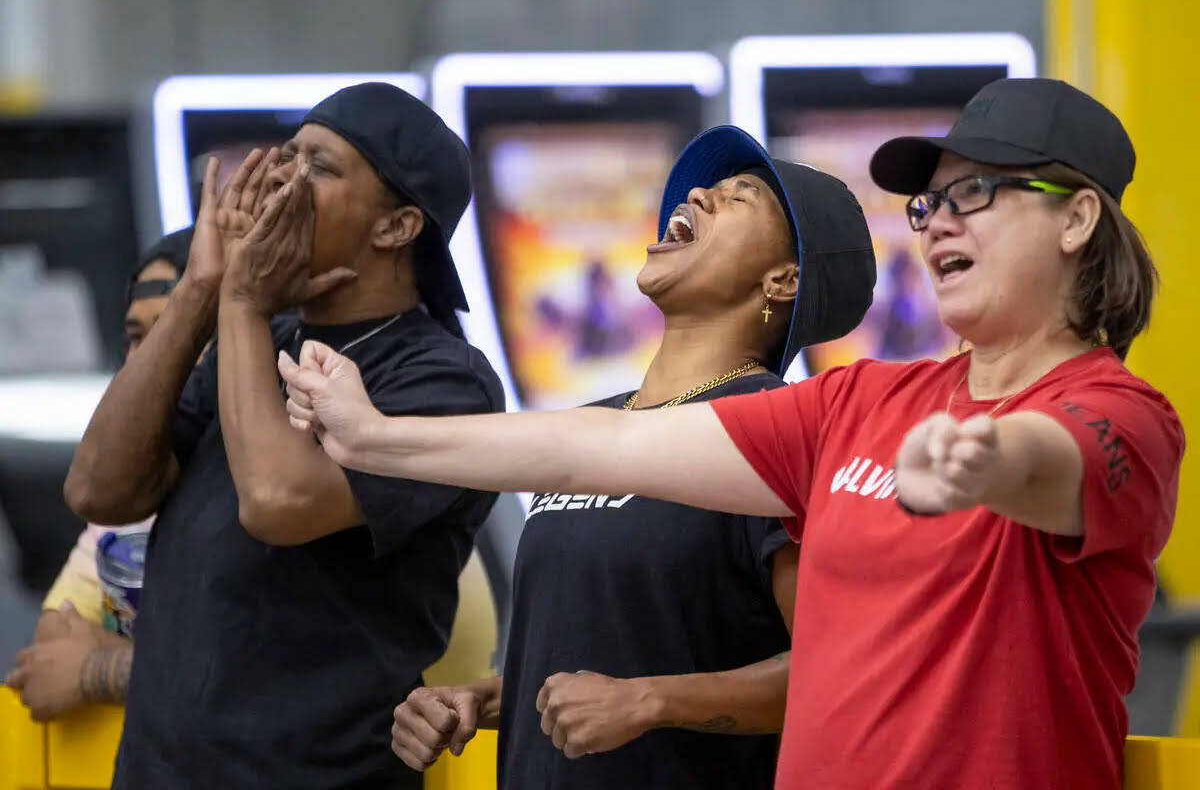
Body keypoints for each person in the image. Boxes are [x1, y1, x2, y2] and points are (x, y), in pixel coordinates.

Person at [280, 78, 1184, 789]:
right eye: (928, 205)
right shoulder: (857, 402)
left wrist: (990, 461)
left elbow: (1056, 463)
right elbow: (610, 447)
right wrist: (372, 438)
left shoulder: (1124, 414)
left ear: (1076, 217)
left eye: (977, 192)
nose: (939, 218)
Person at [373, 126, 875, 789]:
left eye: (740, 196)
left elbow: (834, 670)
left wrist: (651, 701)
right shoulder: (593, 427)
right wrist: (488, 699)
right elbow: (619, 642)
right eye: (706, 186)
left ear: (783, 279)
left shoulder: (774, 432)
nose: (698, 192)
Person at [64, 83, 504, 789]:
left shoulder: (448, 381)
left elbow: (277, 502)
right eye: (284, 155)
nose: (277, 181)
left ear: (396, 227)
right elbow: (100, 489)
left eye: (320, 167)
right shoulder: (259, 336)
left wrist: (240, 299)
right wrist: (202, 290)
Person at [5, 228, 191, 721]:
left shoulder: (282, 484)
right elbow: (51, 644)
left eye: (179, 333)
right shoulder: (131, 493)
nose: (151, 361)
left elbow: (272, 670)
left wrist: (94, 667)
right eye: (137, 338)